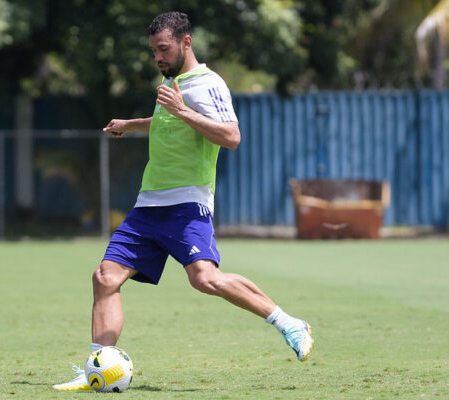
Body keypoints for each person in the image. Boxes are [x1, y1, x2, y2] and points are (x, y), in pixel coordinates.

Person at [52, 11, 313, 391]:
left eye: (163, 49)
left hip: (188, 204)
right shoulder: (173, 83)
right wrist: (131, 124)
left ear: (185, 43)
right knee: (105, 278)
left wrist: (183, 110)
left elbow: (231, 136)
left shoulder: (207, 84)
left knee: (205, 279)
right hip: (148, 206)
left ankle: (287, 322)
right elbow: (168, 122)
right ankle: (97, 365)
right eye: (153, 51)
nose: (157, 57)